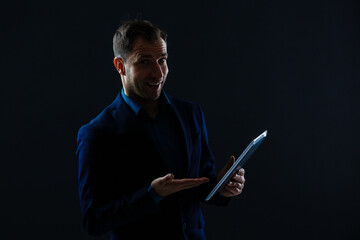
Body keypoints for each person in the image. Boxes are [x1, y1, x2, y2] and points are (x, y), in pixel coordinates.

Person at [76, 19, 246, 240]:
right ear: (120, 66)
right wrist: (152, 195)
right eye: (144, 61)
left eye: (162, 60)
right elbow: (93, 220)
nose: (158, 73)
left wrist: (221, 187)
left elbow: (200, 186)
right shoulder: (97, 133)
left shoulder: (190, 114)